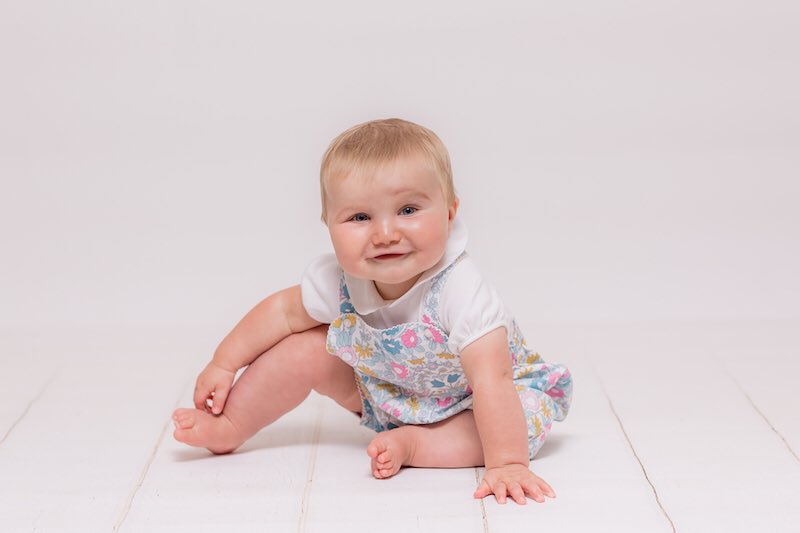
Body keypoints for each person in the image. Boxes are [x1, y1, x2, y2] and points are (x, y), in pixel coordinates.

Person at [172, 118, 572, 505]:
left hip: (479, 402)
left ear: (450, 214)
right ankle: (231, 426)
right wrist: (224, 364)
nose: (385, 233)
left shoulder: (459, 287)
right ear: (329, 224)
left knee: (514, 416)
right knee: (304, 349)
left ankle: (420, 445)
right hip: (390, 396)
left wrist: (508, 463)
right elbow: (281, 313)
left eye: (409, 210)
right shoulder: (340, 279)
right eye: (360, 217)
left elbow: (492, 380)